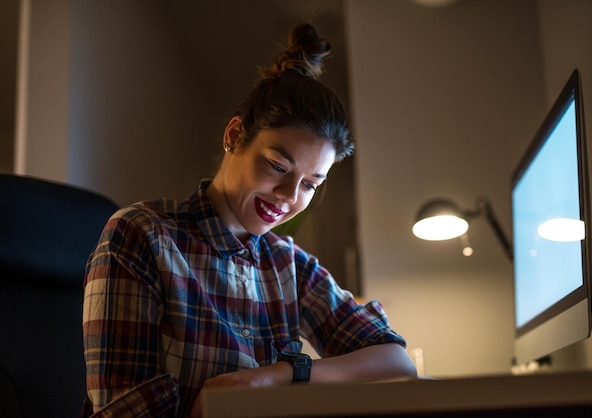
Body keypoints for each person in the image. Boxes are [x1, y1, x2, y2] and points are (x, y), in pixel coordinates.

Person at [82, 22, 417, 418]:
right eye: (278, 166)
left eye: (310, 184)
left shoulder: (287, 262)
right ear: (235, 135)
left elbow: (397, 364)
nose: (289, 197)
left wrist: (280, 375)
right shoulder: (141, 235)